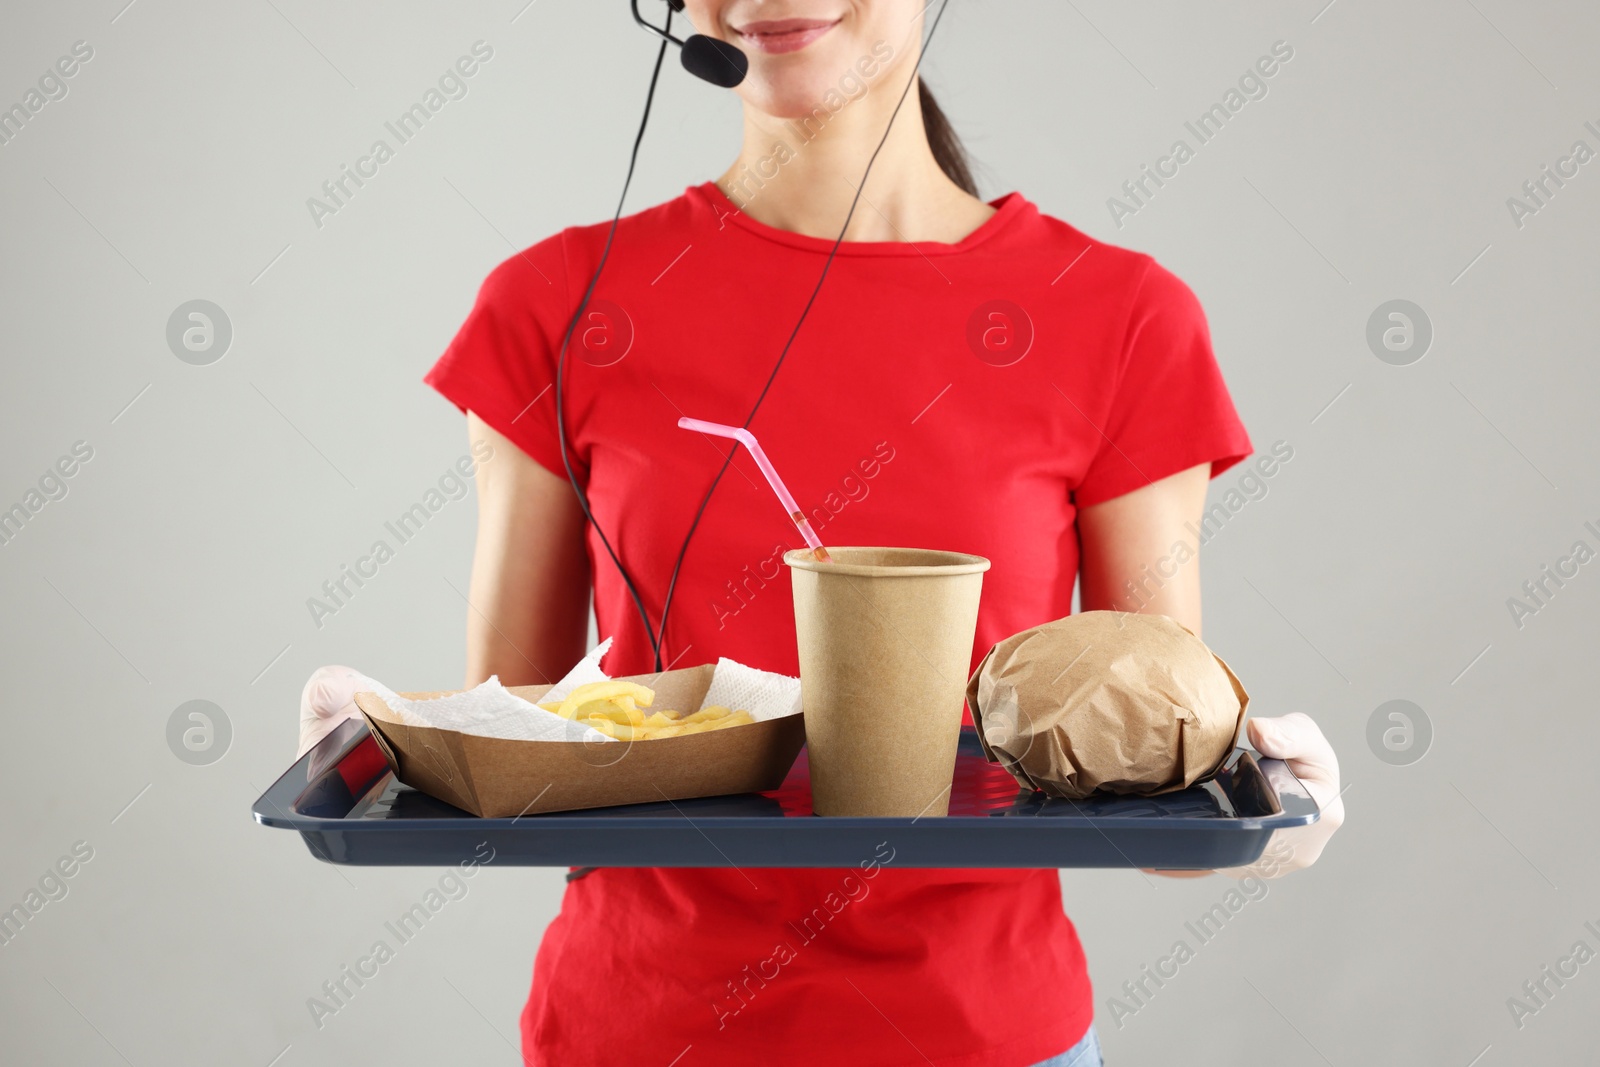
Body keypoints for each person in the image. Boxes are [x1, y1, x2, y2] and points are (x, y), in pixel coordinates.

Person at [299, 2, 1345, 1063]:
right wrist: (377, 734)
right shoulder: (555, 304)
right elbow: (516, 741)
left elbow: (1155, 791)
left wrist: (1271, 825)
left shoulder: (1121, 318)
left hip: (988, 1038)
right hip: (636, 1034)